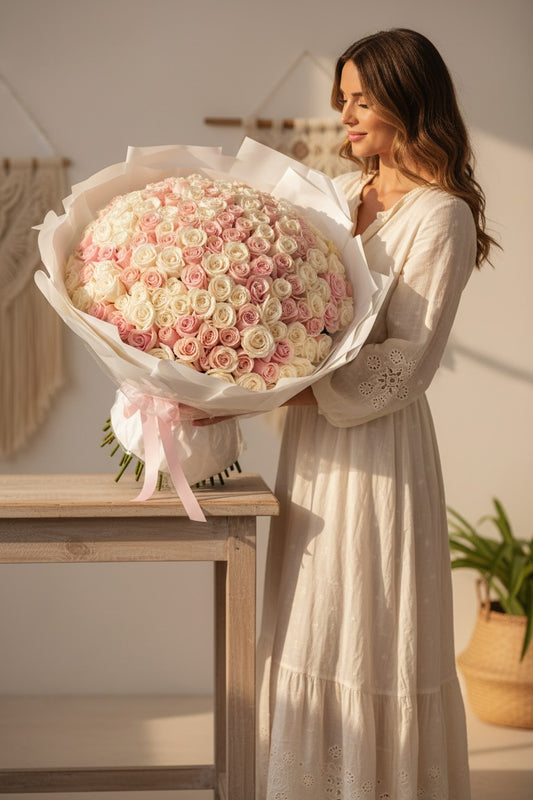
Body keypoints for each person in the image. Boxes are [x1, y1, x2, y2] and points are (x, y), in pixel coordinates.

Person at [254, 28, 498, 800]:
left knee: (363, 621)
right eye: (343, 97)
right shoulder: (338, 192)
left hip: (376, 450)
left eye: (361, 98)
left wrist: (285, 387)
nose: (345, 114)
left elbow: (406, 363)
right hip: (313, 445)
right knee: (309, 617)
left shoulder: (441, 217)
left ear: (406, 98)